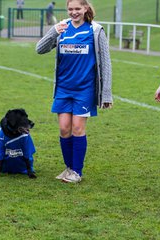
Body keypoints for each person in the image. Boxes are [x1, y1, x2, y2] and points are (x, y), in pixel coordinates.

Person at [36, 0, 112, 183]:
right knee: (64, 129)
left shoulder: (95, 30)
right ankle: (69, 168)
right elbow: (39, 49)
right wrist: (54, 31)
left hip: (84, 89)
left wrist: (107, 93)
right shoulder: (62, 28)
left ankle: (76, 172)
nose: (74, 12)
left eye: (77, 8)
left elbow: (106, 62)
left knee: (77, 128)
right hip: (63, 88)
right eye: (70, 9)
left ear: (85, 8)